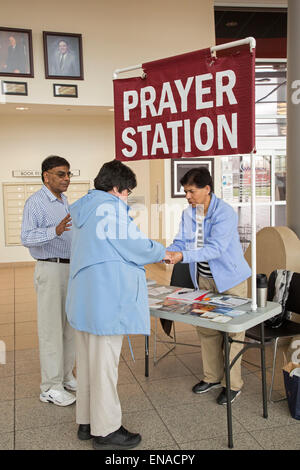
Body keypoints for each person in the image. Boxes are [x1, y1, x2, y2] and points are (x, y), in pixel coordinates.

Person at [66, 160, 165, 450]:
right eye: (127, 192)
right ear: (115, 188)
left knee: (86, 364)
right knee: (105, 367)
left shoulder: (84, 206)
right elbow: (134, 245)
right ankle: (106, 431)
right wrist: (162, 252)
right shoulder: (108, 208)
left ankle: (86, 422)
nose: (127, 197)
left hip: (85, 299)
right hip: (106, 301)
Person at [164, 167, 251, 405]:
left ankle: (233, 385)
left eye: (191, 191)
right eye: (185, 192)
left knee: (233, 332)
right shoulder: (188, 213)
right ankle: (212, 377)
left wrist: (182, 256)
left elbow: (215, 249)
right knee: (207, 330)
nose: (188, 196)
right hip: (203, 280)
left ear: (207, 189)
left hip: (230, 281)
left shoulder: (225, 213)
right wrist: (171, 251)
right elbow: (182, 240)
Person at [21, 156, 77, 407]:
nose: (66, 179)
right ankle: (50, 387)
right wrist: (52, 231)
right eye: (60, 174)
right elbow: (27, 237)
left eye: (68, 174)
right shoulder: (36, 202)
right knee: (51, 331)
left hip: (69, 269)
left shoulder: (64, 201)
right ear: (46, 176)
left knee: (69, 328)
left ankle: (65, 377)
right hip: (50, 268)